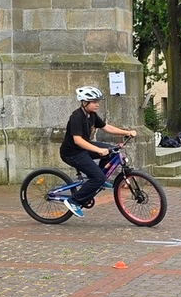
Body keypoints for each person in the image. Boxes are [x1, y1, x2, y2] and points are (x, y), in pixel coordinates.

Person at [59, 86, 137, 217]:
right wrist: (98, 150)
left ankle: (98, 178)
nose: (97, 104)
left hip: (83, 148)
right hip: (72, 153)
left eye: (98, 101)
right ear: (85, 103)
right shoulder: (76, 117)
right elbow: (77, 140)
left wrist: (126, 132)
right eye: (94, 102)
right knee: (98, 177)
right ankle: (74, 201)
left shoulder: (92, 115)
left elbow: (106, 127)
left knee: (112, 151)